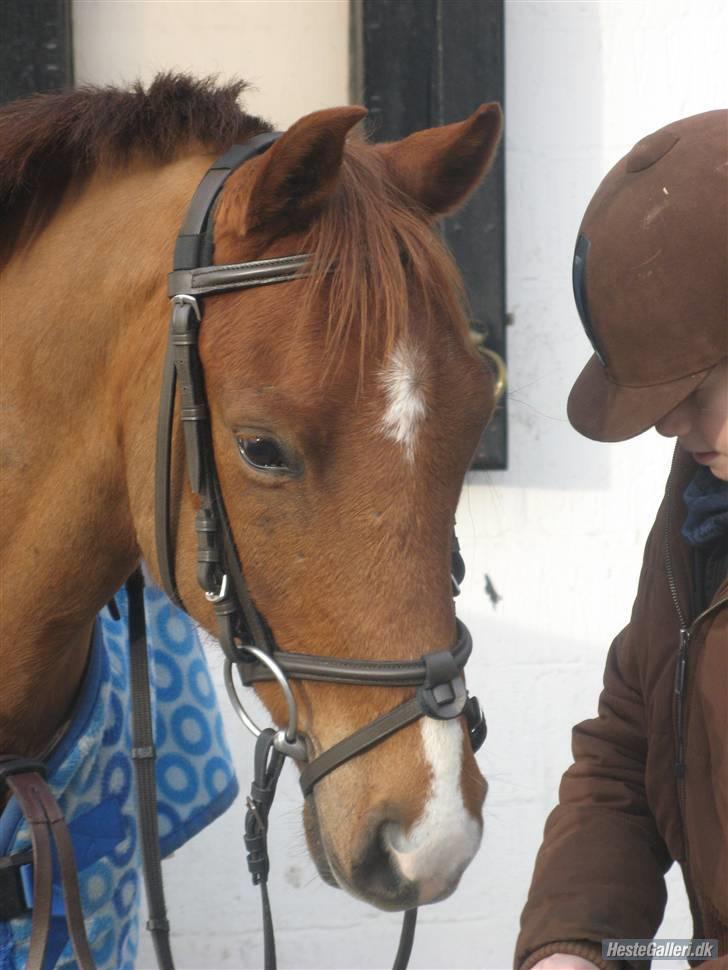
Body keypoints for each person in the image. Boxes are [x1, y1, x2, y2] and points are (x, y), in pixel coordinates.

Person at [516, 109, 728, 970]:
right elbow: (631, 737)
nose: (668, 425)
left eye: (698, 386)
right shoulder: (704, 500)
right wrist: (581, 944)